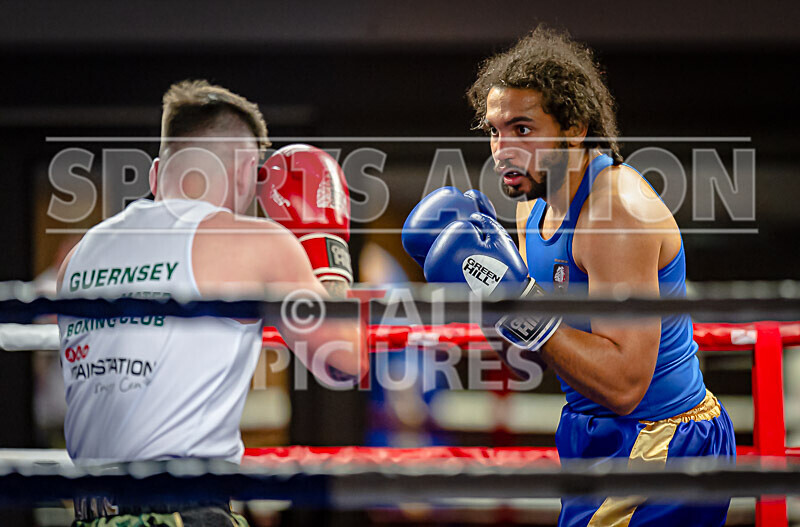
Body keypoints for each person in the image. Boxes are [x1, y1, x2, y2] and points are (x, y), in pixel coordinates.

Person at [403, 27, 735, 526]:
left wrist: (520, 304)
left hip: (661, 440)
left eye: (522, 129)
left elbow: (625, 385)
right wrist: (486, 294)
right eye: (495, 130)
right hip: (591, 430)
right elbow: (534, 351)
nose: (502, 149)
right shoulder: (530, 208)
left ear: (575, 126)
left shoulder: (615, 212)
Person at [57, 80, 365, 525]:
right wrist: (327, 250)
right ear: (245, 174)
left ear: (157, 173)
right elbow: (344, 360)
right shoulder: (253, 243)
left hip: (92, 515)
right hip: (188, 510)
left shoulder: (79, 255)